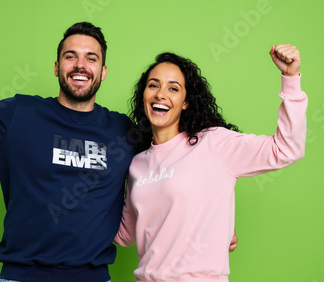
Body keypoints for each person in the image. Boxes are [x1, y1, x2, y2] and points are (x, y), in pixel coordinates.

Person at [0, 22, 137, 282]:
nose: (80, 65)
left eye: (91, 58)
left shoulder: (124, 132)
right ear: (57, 67)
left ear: (103, 71)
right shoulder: (18, 114)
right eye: (70, 56)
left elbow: (174, 160)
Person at [114, 45, 307, 281]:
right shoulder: (137, 164)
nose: (160, 94)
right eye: (153, 85)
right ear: (143, 95)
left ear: (186, 102)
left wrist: (290, 79)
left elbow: (286, 149)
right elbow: (124, 234)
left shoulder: (213, 143)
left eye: (173, 88)